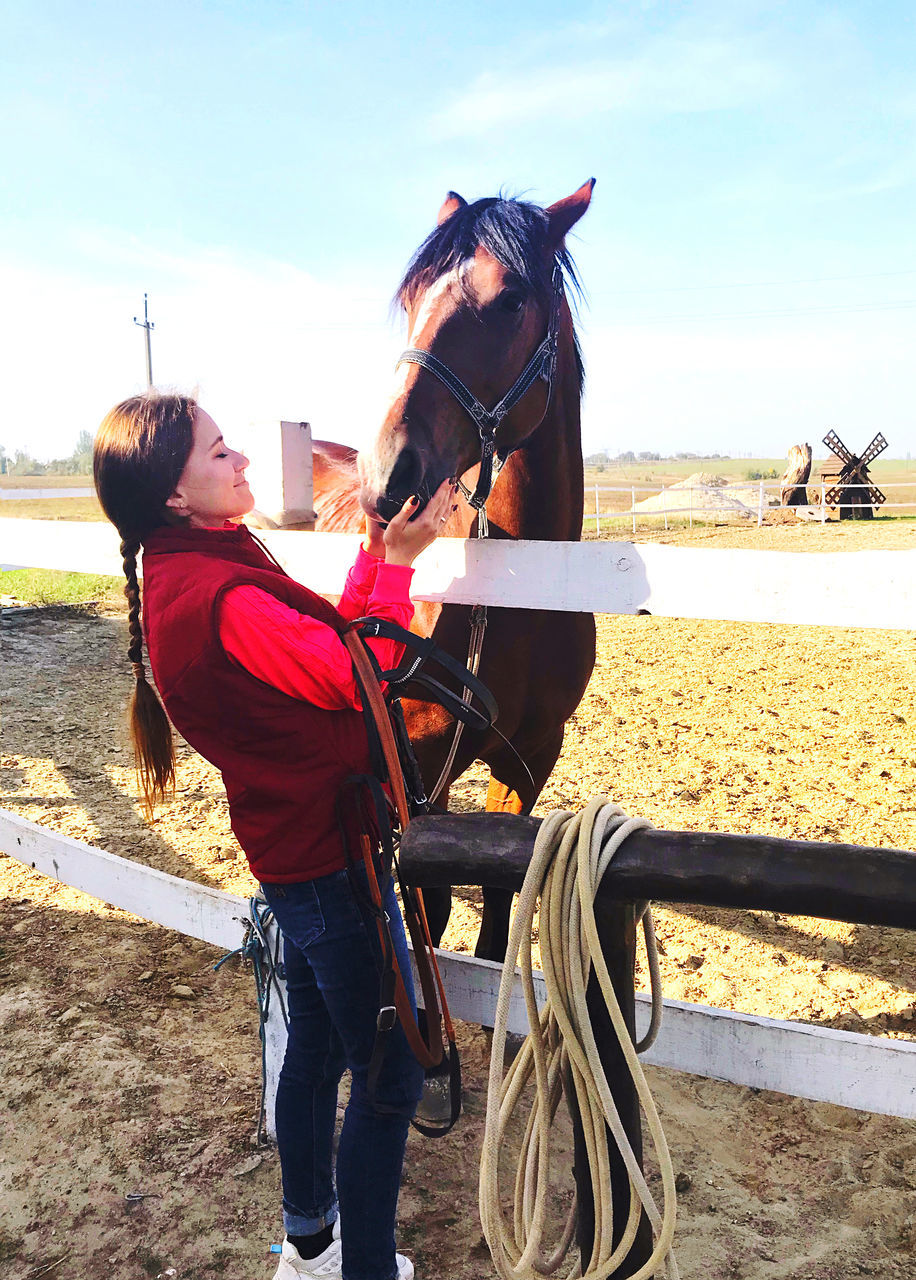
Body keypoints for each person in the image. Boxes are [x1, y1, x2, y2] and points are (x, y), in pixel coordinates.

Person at [93, 391, 457, 1280]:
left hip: (292, 854)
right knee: (390, 1076)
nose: (244, 461)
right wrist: (404, 569)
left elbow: (324, 642)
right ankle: (361, 1268)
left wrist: (375, 556)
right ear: (176, 497)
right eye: (220, 455)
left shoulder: (198, 565)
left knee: (319, 1051)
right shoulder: (220, 594)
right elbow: (355, 674)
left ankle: (307, 1239)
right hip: (329, 862)